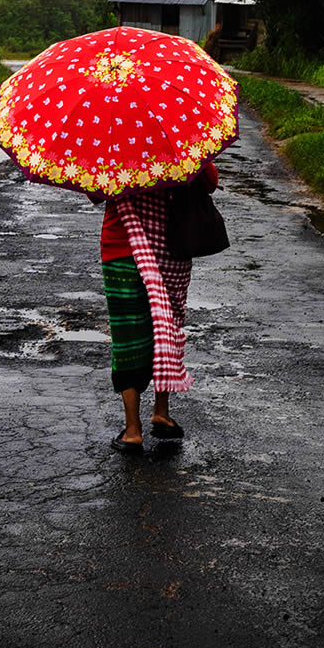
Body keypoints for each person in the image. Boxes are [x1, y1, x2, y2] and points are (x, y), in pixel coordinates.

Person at [96, 162, 219, 454]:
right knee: (165, 326)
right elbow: (210, 181)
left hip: (121, 248)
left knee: (128, 337)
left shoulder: (109, 145)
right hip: (170, 248)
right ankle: (161, 412)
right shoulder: (175, 139)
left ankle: (133, 430)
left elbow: (95, 192)